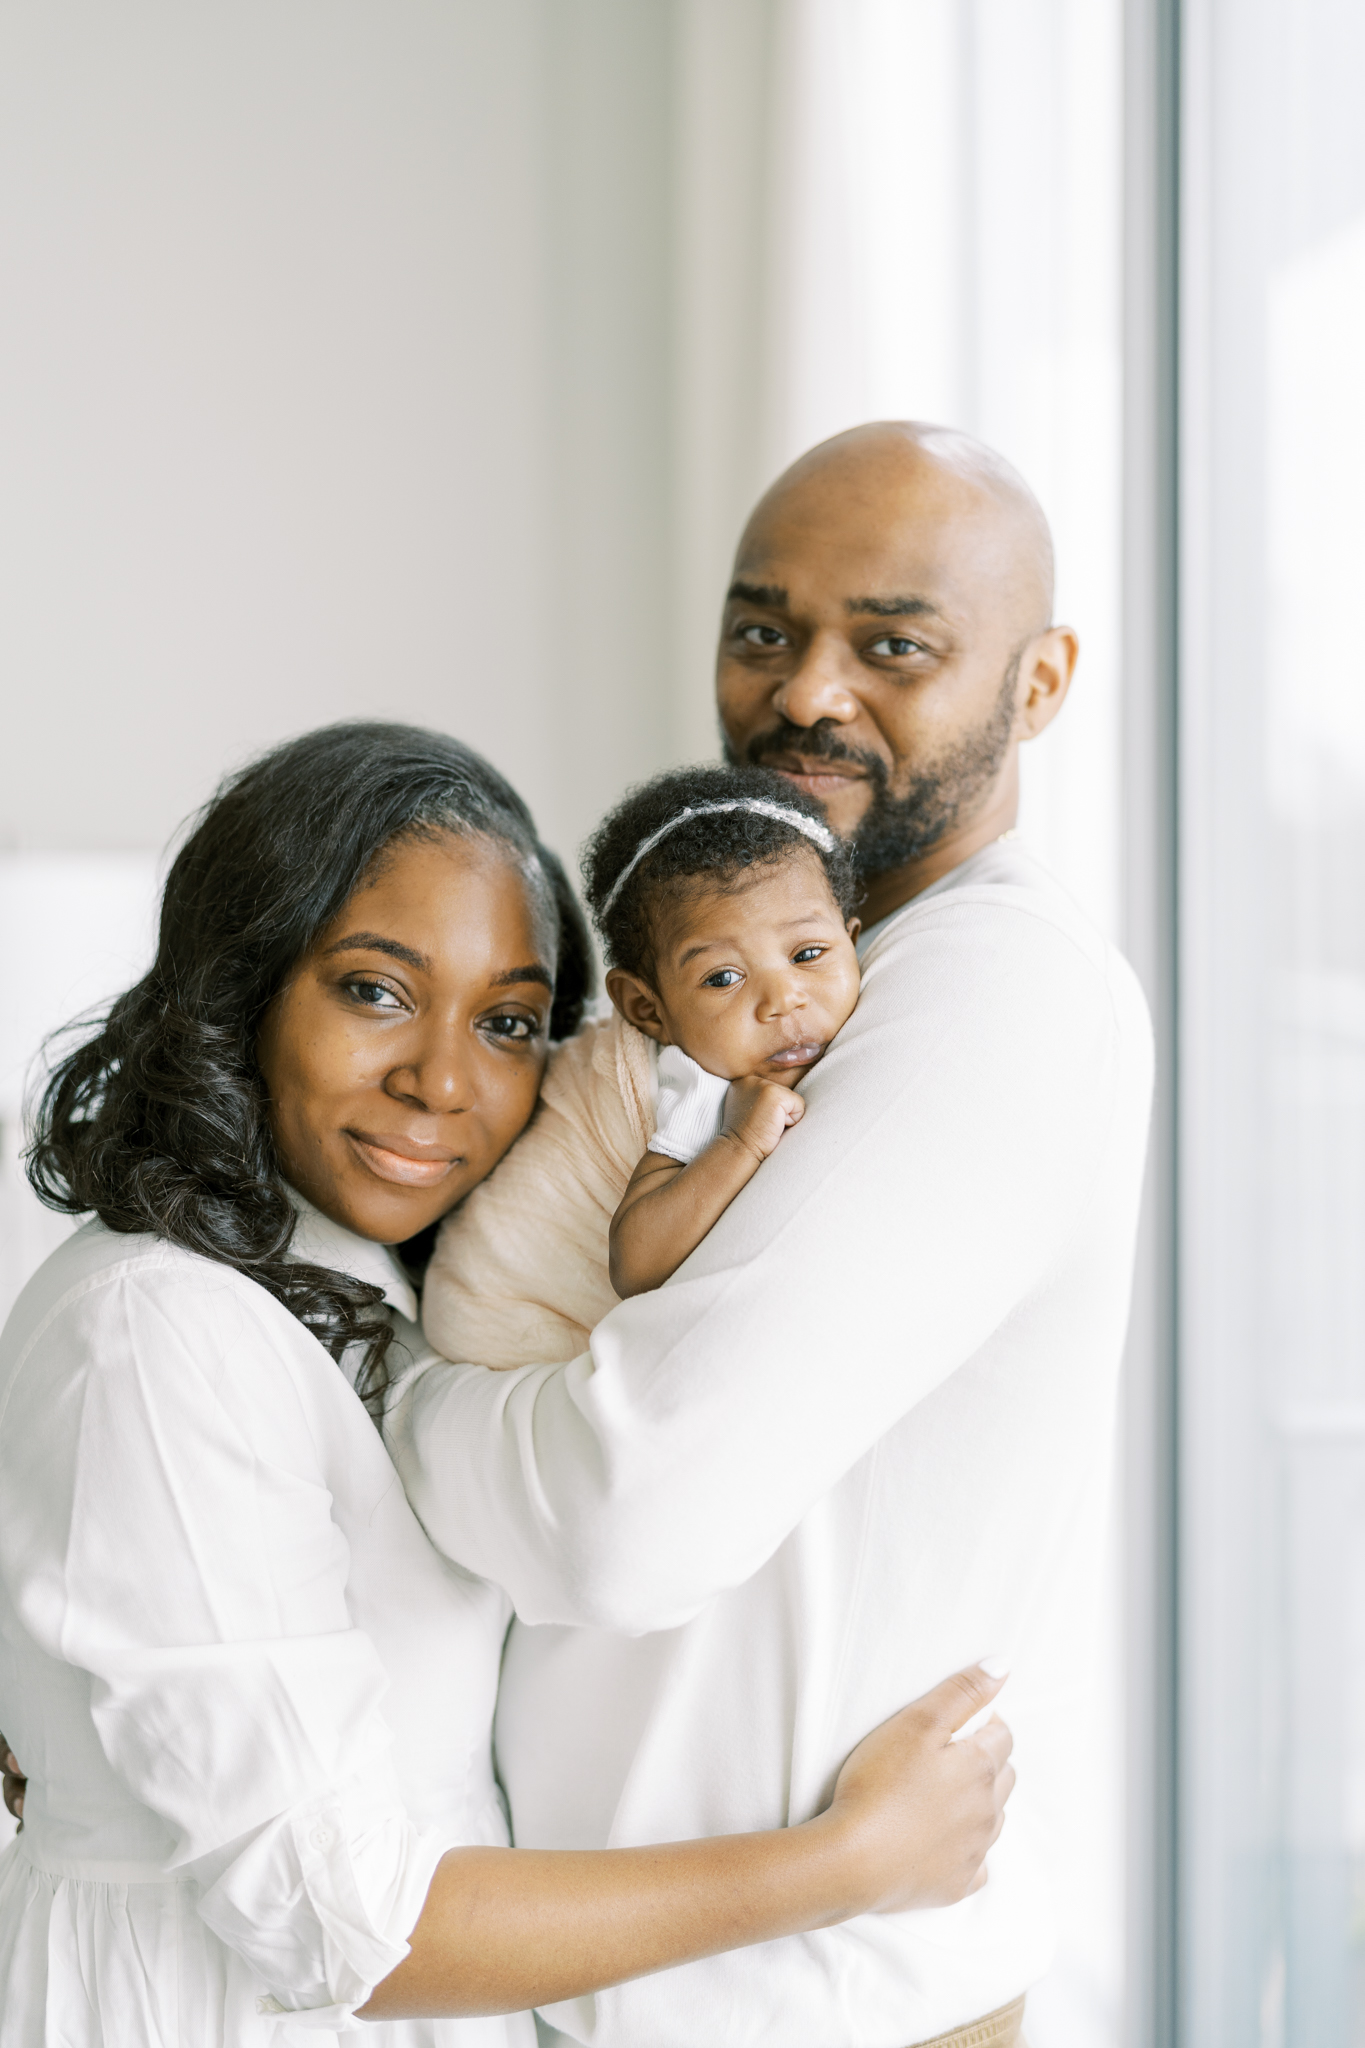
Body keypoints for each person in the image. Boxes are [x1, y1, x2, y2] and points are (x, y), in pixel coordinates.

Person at [0, 722, 1015, 2047]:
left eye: (507, 1021)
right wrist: (846, 1865)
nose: (441, 1080)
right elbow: (341, 1919)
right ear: (243, 983)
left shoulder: (379, 1299)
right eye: (374, 990)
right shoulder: (161, 1323)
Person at [385, 423, 1155, 2048]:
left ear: (1040, 681)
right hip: (646, 1982)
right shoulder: (776, 992)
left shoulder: (989, 991)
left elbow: (623, 1517)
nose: (805, 691)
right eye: (762, 629)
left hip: (820, 2003)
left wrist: (412, 1403)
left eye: (893, 644)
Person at [422, 762, 861, 1359]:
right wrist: (738, 1142)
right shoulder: (693, 1082)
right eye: (723, 977)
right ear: (648, 1011)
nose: (783, 998)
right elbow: (638, 1263)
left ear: (854, 940)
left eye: (808, 953)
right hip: (502, 1322)